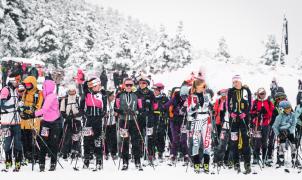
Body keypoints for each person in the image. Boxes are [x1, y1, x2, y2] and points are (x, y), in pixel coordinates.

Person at [115, 78, 144, 171]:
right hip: (123, 121)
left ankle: (137, 161)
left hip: (134, 122)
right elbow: (115, 108)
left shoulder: (136, 95)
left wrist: (135, 111)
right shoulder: (119, 95)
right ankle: (125, 162)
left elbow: (141, 109)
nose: (128, 87)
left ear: (132, 86)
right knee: (124, 141)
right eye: (127, 85)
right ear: (124, 85)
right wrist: (122, 111)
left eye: (130, 85)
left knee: (135, 142)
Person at [35, 79, 62, 172]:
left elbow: (44, 109)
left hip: (54, 123)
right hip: (46, 123)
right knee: (43, 143)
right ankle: (41, 163)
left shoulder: (51, 96)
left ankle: (53, 163)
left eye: (44, 87)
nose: (42, 89)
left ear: (48, 87)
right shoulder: (46, 96)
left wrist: (33, 114)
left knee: (53, 144)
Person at [186, 78, 213, 173]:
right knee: (196, 142)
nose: (204, 88)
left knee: (207, 143)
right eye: (202, 86)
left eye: (204, 86)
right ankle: (196, 164)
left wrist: (211, 106)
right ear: (197, 87)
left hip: (206, 119)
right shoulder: (191, 97)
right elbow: (188, 111)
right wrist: (194, 108)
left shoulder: (207, 95)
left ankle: (206, 165)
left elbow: (211, 106)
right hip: (197, 120)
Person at [80, 77, 106, 170]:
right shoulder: (86, 94)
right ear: (92, 86)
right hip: (88, 120)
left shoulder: (102, 95)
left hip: (98, 121)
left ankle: (99, 160)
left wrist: (102, 115)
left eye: (99, 85)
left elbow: (105, 108)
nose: (99, 87)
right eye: (97, 86)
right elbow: (81, 108)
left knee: (98, 141)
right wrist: (85, 115)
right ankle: (86, 160)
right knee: (87, 140)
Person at [227, 75, 252, 174]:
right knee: (234, 142)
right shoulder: (230, 91)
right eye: (233, 82)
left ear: (240, 82)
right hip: (234, 120)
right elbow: (227, 104)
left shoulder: (246, 90)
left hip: (244, 120)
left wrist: (245, 113)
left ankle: (247, 163)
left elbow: (250, 103)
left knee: (246, 142)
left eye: (236, 82)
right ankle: (236, 163)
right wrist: (230, 112)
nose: (234, 84)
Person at [0, 73, 23, 171]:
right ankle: (8, 161)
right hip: (6, 122)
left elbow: (16, 104)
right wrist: (14, 107)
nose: (18, 82)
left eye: (18, 80)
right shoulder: (6, 89)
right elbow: (1, 105)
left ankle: (18, 162)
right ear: (11, 80)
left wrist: (21, 106)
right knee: (7, 143)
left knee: (18, 143)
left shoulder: (15, 90)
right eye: (16, 80)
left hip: (16, 122)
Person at [20, 76, 43, 163]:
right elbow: (22, 102)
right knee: (24, 138)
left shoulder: (38, 93)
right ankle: (27, 155)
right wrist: (21, 110)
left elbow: (38, 106)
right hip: (24, 120)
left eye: (29, 84)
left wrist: (28, 109)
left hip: (33, 119)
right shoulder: (25, 92)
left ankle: (35, 155)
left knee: (33, 138)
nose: (27, 86)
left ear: (33, 84)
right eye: (26, 84)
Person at [250, 88, 274, 165]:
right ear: (258, 94)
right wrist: (256, 113)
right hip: (257, 123)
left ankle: (265, 157)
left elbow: (272, 112)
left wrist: (266, 113)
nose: (262, 95)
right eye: (261, 94)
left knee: (264, 141)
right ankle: (255, 158)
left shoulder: (269, 102)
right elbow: (251, 111)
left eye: (263, 93)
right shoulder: (255, 102)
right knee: (257, 141)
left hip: (266, 123)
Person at [272, 100, 300, 168]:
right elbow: (274, 126)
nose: (289, 109)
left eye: (289, 108)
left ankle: (294, 157)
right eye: (287, 108)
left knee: (293, 144)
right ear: (283, 109)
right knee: (282, 144)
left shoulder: (293, 115)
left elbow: (294, 124)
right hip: (282, 132)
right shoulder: (279, 117)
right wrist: (278, 134)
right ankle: (281, 158)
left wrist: (289, 131)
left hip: (290, 132)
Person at [60, 84, 82, 160]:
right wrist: (66, 116)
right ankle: (65, 152)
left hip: (77, 120)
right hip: (68, 120)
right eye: (70, 91)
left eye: (73, 91)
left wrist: (76, 115)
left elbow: (82, 110)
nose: (72, 92)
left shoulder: (78, 99)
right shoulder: (65, 99)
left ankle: (76, 151)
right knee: (66, 136)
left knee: (76, 136)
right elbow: (62, 111)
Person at [152, 82, 169, 162]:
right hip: (153, 119)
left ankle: (160, 152)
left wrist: (165, 114)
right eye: (154, 90)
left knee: (161, 136)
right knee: (152, 135)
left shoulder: (165, 99)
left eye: (156, 90)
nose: (155, 91)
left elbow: (168, 109)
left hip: (161, 119)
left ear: (160, 90)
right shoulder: (152, 97)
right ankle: (152, 152)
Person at [104, 90, 118, 160]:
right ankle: (106, 152)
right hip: (105, 123)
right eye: (112, 96)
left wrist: (116, 114)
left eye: (114, 95)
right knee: (105, 138)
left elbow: (117, 110)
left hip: (113, 123)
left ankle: (114, 153)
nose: (113, 97)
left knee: (114, 138)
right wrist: (105, 114)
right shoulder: (104, 103)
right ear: (108, 96)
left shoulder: (114, 102)